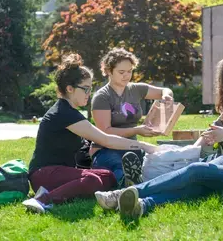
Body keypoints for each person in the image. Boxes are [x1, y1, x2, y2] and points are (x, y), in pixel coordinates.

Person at [95, 53, 223, 219]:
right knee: (199, 180)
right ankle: (141, 205)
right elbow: (217, 126)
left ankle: (121, 195)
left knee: (197, 171)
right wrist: (192, 149)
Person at [22, 54, 157, 214]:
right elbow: (106, 139)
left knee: (108, 176)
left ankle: (121, 187)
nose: (89, 93)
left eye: (90, 88)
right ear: (70, 89)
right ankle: (44, 199)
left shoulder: (71, 111)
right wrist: (142, 145)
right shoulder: (64, 112)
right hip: (43, 175)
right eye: (85, 88)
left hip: (61, 172)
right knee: (92, 179)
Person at [91, 48, 174, 187]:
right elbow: (106, 132)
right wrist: (137, 130)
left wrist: (167, 95)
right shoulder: (102, 96)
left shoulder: (136, 89)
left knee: (159, 161)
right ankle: (128, 184)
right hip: (106, 149)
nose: (126, 76)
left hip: (132, 147)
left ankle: (141, 182)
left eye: (129, 71)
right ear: (109, 71)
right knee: (119, 166)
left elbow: (164, 90)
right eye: (121, 72)